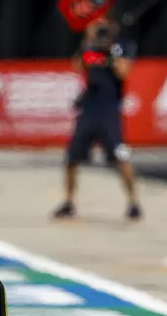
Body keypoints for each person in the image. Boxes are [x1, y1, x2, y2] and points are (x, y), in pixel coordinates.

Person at [53, 15, 142, 221]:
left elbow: (123, 71)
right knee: (72, 158)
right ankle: (68, 202)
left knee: (121, 157)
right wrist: (88, 42)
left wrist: (110, 49)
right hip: (89, 110)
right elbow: (78, 65)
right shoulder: (90, 47)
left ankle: (133, 202)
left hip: (109, 111)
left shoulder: (123, 46)